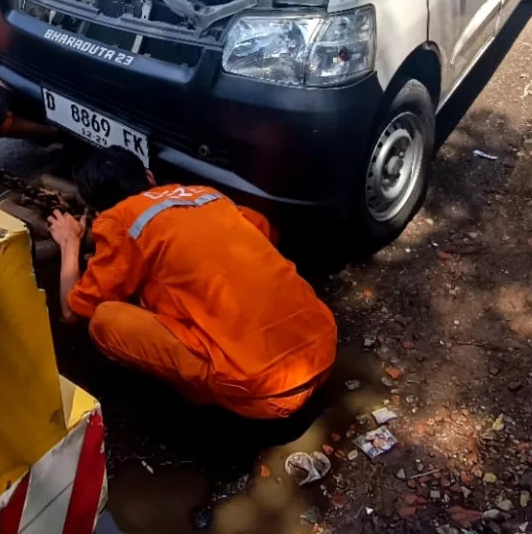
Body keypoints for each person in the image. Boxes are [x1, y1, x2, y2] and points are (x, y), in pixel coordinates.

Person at [48, 147, 338, 420]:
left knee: (104, 320)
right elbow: (264, 228)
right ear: (149, 177)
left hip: (264, 392)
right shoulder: (207, 195)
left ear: (99, 209)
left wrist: (70, 243)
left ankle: (198, 408)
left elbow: (74, 313)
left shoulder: (118, 223)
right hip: (322, 351)